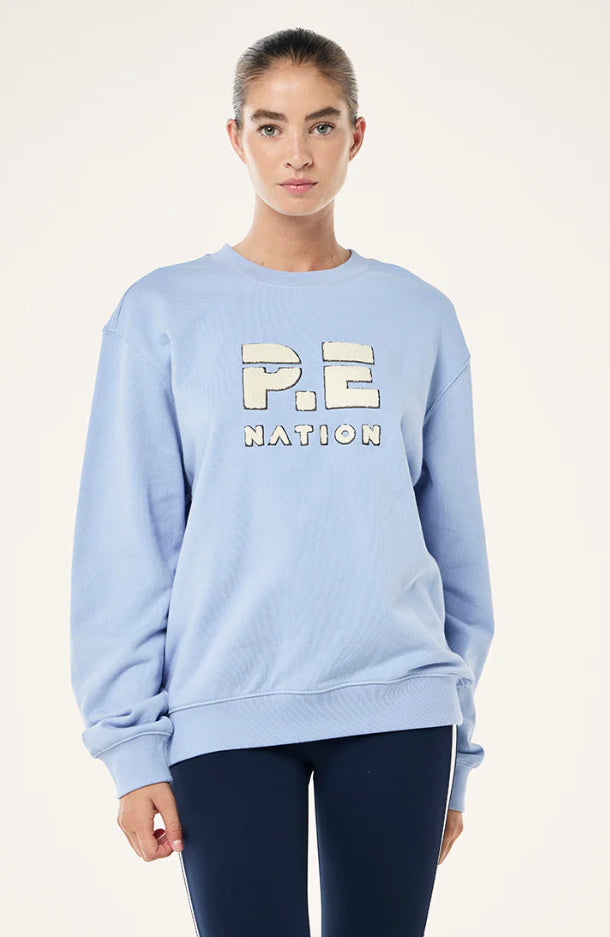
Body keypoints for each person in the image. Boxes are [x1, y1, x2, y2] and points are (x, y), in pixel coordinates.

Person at [70, 26, 495, 937]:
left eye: (321, 124)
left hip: (399, 705)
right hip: (225, 709)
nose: (297, 153)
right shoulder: (162, 313)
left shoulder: (418, 315)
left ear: (356, 135)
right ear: (236, 138)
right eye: (271, 126)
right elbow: (127, 539)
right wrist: (131, 746)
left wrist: (458, 752)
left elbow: (456, 544)